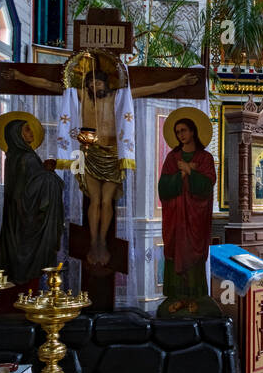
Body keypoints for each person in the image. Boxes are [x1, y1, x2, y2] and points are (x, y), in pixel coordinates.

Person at [13, 52, 197, 268]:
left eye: (98, 82)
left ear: (106, 83)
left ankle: (102, 240)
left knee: (106, 200)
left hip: (112, 153)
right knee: (95, 200)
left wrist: (180, 81)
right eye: (90, 82)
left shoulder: (118, 97)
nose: (93, 86)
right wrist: (20, 76)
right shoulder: (80, 95)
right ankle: (95, 241)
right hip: (90, 153)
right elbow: (48, 85)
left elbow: (154, 88)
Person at [0, 112, 64, 285]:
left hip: (15, 218)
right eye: (26, 130)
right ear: (16, 135)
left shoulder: (12, 156)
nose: (31, 133)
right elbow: (31, 190)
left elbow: (26, 185)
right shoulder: (27, 157)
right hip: (28, 220)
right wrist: (49, 174)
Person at [157, 114, 215, 309]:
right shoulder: (172, 158)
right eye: (177, 132)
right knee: (176, 249)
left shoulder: (205, 157)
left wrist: (190, 172)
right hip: (175, 216)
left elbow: (207, 185)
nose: (180, 134)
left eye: (183, 130)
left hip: (196, 216)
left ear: (193, 131)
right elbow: (163, 187)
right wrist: (180, 173)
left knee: (193, 253)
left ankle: (194, 299)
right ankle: (176, 297)